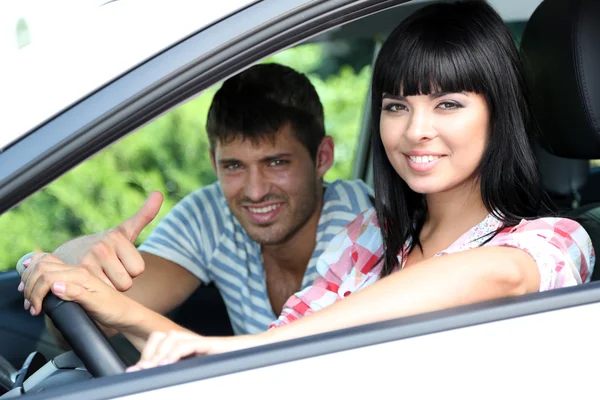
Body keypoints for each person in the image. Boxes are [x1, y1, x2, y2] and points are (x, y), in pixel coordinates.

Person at [120, 0, 595, 370]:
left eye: (447, 104)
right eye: (396, 106)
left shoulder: (553, 239)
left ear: (498, 113)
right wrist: (100, 302)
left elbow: (494, 275)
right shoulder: (368, 238)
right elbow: (268, 355)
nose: (415, 130)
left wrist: (244, 347)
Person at [17, 63, 373, 351]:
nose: (255, 190)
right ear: (214, 164)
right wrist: (77, 262)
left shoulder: (362, 227)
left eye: (276, 163)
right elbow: (90, 326)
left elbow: (307, 369)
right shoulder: (212, 213)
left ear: (322, 157)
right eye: (234, 166)